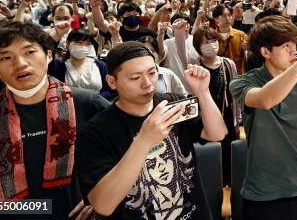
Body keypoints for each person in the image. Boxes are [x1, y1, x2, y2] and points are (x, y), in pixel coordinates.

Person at [75, 41, 227, 219]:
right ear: (112, 82)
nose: (147, 84)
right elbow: (103, 205)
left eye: (152, 73)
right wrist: (144, 140)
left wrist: (203, 92)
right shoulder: (95, 133)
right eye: (135, 78)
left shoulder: (172, 104)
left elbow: (217, 133)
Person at [0, 22, 109, 219]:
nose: (20, 63)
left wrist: (103, 200)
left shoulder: (86, 104)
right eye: (5, 57)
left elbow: (129, 155)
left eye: (29, 52)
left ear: (48, 55)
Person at [230, 16, 297, 220]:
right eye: (286, 46)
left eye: (295, 45)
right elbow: (264, 99)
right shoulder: (243, 82)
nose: (294, 51)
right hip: (262, 192)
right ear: (265, 52)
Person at [193, 26, 238, 185]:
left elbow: (235, 92)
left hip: (227, 114)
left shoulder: (228, 63)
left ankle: (229, 182)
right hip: (205, 117)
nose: (211, 44)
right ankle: (213, 185)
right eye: (206, 42)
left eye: (214, 40)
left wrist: (237, 118)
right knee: (210, 153)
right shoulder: (195, 66)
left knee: (229, 152)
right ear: (198, 46)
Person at [90, 0, 157, 42]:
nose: (132, 16)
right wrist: (95, 7)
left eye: (135, 14)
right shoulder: (115, 31)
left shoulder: (149, 33)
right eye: (128, 15)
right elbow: (100, 23)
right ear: (121, 18)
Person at [213, 4, 248, 74]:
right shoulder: (211, 36)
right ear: (216, 19)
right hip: (218, 76)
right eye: (223, 15)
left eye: (229, 15)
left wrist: (247, 50)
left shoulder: (241, 35)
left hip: (238, 77)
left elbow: (248, 60)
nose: (227, 18)